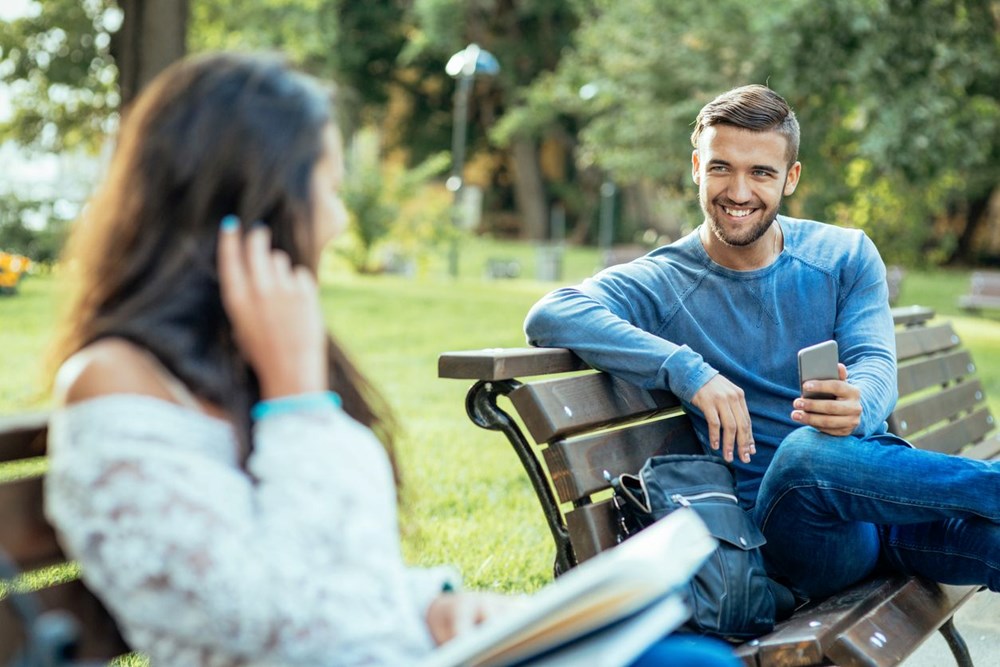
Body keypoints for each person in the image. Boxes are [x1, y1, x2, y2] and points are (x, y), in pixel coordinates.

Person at [44, 52, 738, 667]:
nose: (338, 221)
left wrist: (435, 605)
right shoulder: (116, 384)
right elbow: (264, 621)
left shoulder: (247, 360)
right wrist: (295, 398)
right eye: (326, 189)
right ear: (253, 205)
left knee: (690, 659)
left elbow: (338, 572)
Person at [524, 84, 1000, 603]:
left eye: (761, 173)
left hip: (879, 506)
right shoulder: (665, 281)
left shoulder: (844, 255)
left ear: (790, 177)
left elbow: (874, 361)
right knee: (805, 455)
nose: (738, 192)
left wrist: (859, 404)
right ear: (696, 168)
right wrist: (687, 371)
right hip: (795, 539)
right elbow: (552, 313)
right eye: (721, 168)